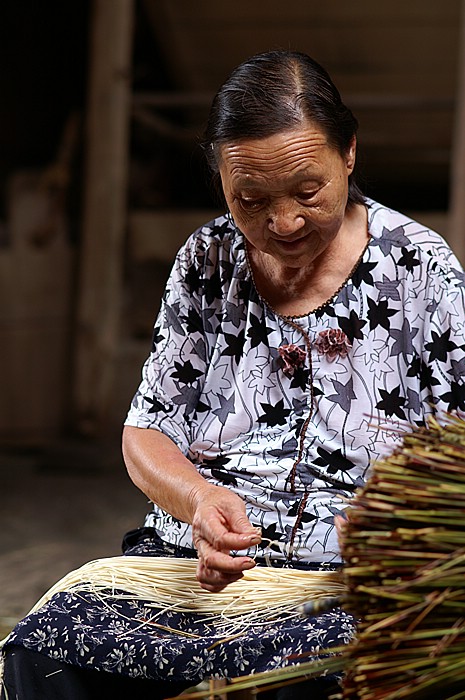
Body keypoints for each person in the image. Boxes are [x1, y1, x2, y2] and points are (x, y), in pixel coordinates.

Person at [2, 49, 465, 700]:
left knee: (316, 678)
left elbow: (455, 453)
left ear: (350, 153)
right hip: (195, 567)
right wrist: (199, 502)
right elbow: (147, 432)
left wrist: (382, 536)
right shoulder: (206, 260)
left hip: (341, 578)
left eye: (307, 192)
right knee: (47, 643)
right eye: (249, 199)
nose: (282, 222)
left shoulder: (418, 269)